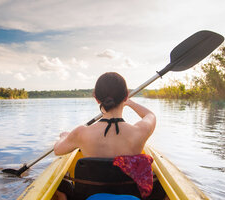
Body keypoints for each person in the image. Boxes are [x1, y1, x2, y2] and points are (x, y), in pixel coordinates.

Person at [53, 72, 156, 200]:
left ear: (96, 98)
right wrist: (130, 103)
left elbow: (57, 150)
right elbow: (150, 115)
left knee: (62, 187)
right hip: (131, 197)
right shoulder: (139, 131)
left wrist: (65, 136)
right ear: (125, 96)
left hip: (91, 197)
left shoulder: (81, 133)